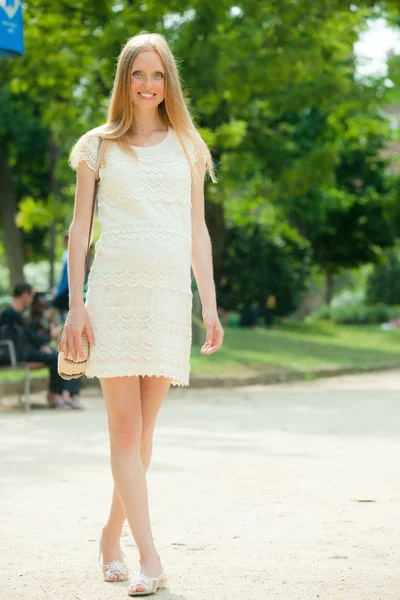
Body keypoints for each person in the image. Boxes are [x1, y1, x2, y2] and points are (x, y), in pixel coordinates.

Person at [60, 33, 224, 596]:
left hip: (167, 299)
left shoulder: (188, 145)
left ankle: (110, 536)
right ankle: (150, 556)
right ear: (124, 80)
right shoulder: (96, 146)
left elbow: (198, 231)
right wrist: (76, 305)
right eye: (138, 75)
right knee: (124, 429)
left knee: (145, 431)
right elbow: (79, 229)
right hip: (112, 295)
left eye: (157, 75)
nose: (148, 85)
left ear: (168, 81)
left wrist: (210, 304)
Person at [0, 282, 78, 409]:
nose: (32, 299)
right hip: (19, 354)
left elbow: (28, 338)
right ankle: (55, 395)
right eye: (32, 295)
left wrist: (42, 346)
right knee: (56, 358)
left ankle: (64, 394)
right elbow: (31, 338)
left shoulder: (14, 314)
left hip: (23, 352)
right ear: (25, 295)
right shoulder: (11, 314)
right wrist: (51, 336)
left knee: (59, 355)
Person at [30, 292, 82, 407]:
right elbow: (32, 339)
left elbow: (56, 336)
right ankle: (56, 393)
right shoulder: (29, 319)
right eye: (40, 305)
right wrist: (45, 342)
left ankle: (68, 393)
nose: (43, 308)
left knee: (72, 358)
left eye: (45, 305)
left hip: (51, 348)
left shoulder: (48, 319)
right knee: (58, 360)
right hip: (37, 351)